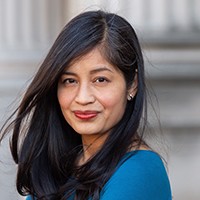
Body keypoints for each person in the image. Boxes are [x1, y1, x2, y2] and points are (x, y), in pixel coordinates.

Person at [0, 10, 172, 200]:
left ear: (132, 84)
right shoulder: (58, 170)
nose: (83, 98)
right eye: (69, 81)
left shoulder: (139, 172)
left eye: (100, 80)